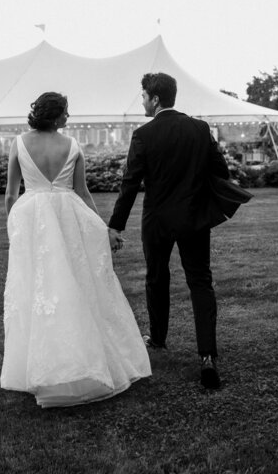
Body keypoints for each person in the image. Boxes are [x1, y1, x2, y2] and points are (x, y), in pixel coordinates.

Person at [0, 92, 151, 408]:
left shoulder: (18, 143)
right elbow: (82, 192)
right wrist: (104, 229)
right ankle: (79, 358)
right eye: (66, 112)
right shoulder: (72, 145)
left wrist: (15, 230)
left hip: (31, 220)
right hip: (68, 218)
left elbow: (11, 196)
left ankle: (42, 363)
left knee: (38, 288)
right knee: (75, 285)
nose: (69, 117)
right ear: (56, 116)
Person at [108, 73, 230, 389]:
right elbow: (222, 172)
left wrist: (115, 225)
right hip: (193, 218)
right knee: (201, 281)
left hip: (158, 220)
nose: (143, 102)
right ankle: (207, 357)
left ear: (155, 99)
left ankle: (158, 339)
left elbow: (130, 183)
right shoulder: (200, 129)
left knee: (157, 278)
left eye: (144, 97)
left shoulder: (143, 134)